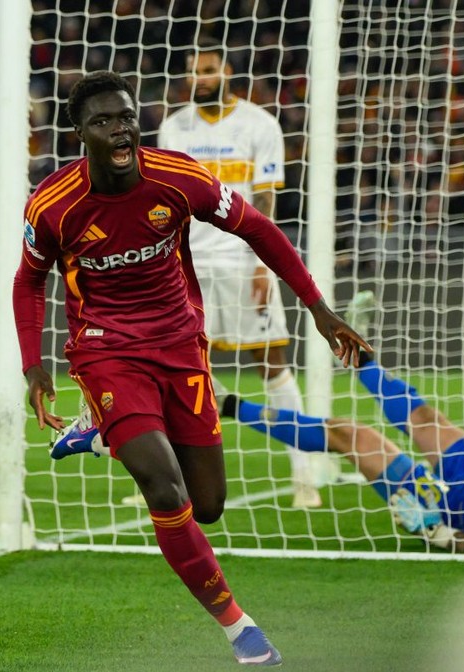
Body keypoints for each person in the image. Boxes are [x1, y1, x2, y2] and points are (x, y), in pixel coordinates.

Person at [13, 71, 370, 666]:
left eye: (127, 117)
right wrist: (33, 364)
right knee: (164, 487)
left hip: (180, 344)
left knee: (207, 505)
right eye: (103, 121)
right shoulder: (53, 204)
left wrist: (318, 308)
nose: (120, 130)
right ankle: (240, 629)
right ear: (80, 135)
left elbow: (258, 228)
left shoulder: (179, 178)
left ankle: (103, 434)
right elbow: (29, 280)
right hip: (106, 351)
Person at [216, 291, 464, 553]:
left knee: (349, 434)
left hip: (441, 498)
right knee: (423, 417)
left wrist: (441, 534)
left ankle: (229, 405)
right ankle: (362, 360)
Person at [153, 37, 334, 509]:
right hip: (189, 267)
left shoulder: (260, 124)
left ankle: (304, 476)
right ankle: (168, 482)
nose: (200, 79)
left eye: (208, 70)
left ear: (227, 72)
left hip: (241, 261)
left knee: (272, 363)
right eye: (194, 71)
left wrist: (262, 263)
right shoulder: (173, 128)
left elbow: (266, 200)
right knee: (178, 371)